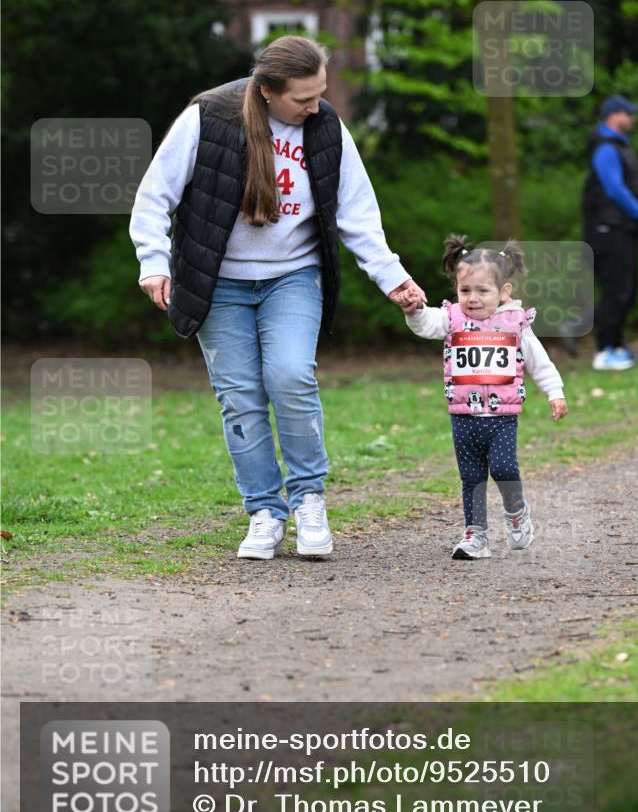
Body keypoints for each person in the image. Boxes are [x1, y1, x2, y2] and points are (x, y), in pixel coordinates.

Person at [129, 35, 425, 561]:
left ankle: (309, 499)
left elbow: (357, 212)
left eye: (320, 94)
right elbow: (154, 198)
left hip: (293, 276)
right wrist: (153, 263)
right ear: (266, 90)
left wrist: (392, 277)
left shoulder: (325, 126)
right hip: (219, 283)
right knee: (240, 396)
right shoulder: (209, 118)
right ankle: (264, 511)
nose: (316, 106)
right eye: (303, 99)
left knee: (290, 376)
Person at [397, 235, 567, 561]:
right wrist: (415, 310)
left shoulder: (515, 323)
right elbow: (426, 324)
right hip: (463, 416)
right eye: (465, 290)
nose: (472, 298)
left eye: (482, 291)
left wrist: (555, 392)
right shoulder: (451, 318)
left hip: (502, 417)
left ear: (504, 292)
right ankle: (476, 535)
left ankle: (516, 512)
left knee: (504, 468)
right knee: (471, 477)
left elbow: (538, 361)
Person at [582, 94, 638, 371]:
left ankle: (617, 347)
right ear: (614, 115)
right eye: (629, 113)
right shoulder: (605, 148)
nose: (633, 118)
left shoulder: (621, 146)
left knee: (627, 289)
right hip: (608, 229)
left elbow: (632, 186)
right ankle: (604, 351)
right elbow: (614, 188)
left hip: (623, 228)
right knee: (615, 290)